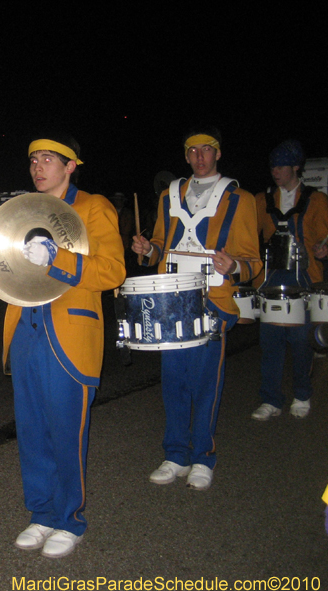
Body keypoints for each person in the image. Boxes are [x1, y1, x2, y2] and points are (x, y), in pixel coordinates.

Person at [6, 136, 125, 559]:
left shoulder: (94, 207)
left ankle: (70, 519)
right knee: (32, 431)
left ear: (71, 165)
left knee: (65, 433)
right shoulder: (24, 210)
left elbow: (112, 270)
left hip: (69, 335)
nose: (38, 167)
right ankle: (41, 514)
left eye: (49, 159)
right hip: (26, 330)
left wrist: (59, 256)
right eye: (34, 159)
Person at [132, 127, 260, 490]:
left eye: (207, 150)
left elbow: (252, 260)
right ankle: (175, 453)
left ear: (218, 154)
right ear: (186, 156)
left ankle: (203, 455)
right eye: (193, 151)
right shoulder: (168, 195)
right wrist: (148, 251)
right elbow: (160, 244)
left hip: (212, 301)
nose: (200, 156)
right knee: (174, 383)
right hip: (170, 301)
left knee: (205, 384)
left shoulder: (241, 198)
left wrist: (233, 266)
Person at [250, 140, 328, 421]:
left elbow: (327, 237)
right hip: (272, 279)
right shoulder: (262, 200)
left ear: (296, 167)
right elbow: (248, 235)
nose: (276, 171)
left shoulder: (316, 200)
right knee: (270, 343)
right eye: (273, 166)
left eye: (282, 166)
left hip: (305, 278)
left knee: (301, 342)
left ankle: (302, 394)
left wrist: (325, 248)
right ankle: (271, 400)